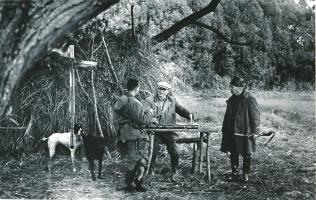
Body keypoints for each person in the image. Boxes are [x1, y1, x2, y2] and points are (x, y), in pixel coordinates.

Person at [145, 81, 194, 181]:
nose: (161, 91)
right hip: (155, 131)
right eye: (159, 89)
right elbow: (145, 111)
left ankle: (174, 170)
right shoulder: (149, 100)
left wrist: (189, 115)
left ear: (168, 91)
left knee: (174, 150)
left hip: (169, 132)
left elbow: (181, 109)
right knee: (153, 150)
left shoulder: (172, 101)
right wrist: (150, 118)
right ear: (156, 89)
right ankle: (150, 170)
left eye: (164, 90)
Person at [113, 78, 155, 192]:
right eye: (139, 88)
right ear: (136, 88)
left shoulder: (122, 99)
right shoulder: (134, 102)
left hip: (125, 134)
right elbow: (141, 121)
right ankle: (133, 184)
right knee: (139, 159)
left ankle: (134, 183)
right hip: (135, 135)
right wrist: (149, 113)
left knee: (132, 158)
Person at [220, 75, 260, 182]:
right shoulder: (232, 99)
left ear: (239, 87)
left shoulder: (249, 98)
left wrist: (255, 131)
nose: (230, 89)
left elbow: (255, 116)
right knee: (233, 152)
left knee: (247, 153)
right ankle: (235, 173)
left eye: (232, 87)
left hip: (245, 132)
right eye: (230, 86)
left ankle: (245, 174)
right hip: (233, 131)